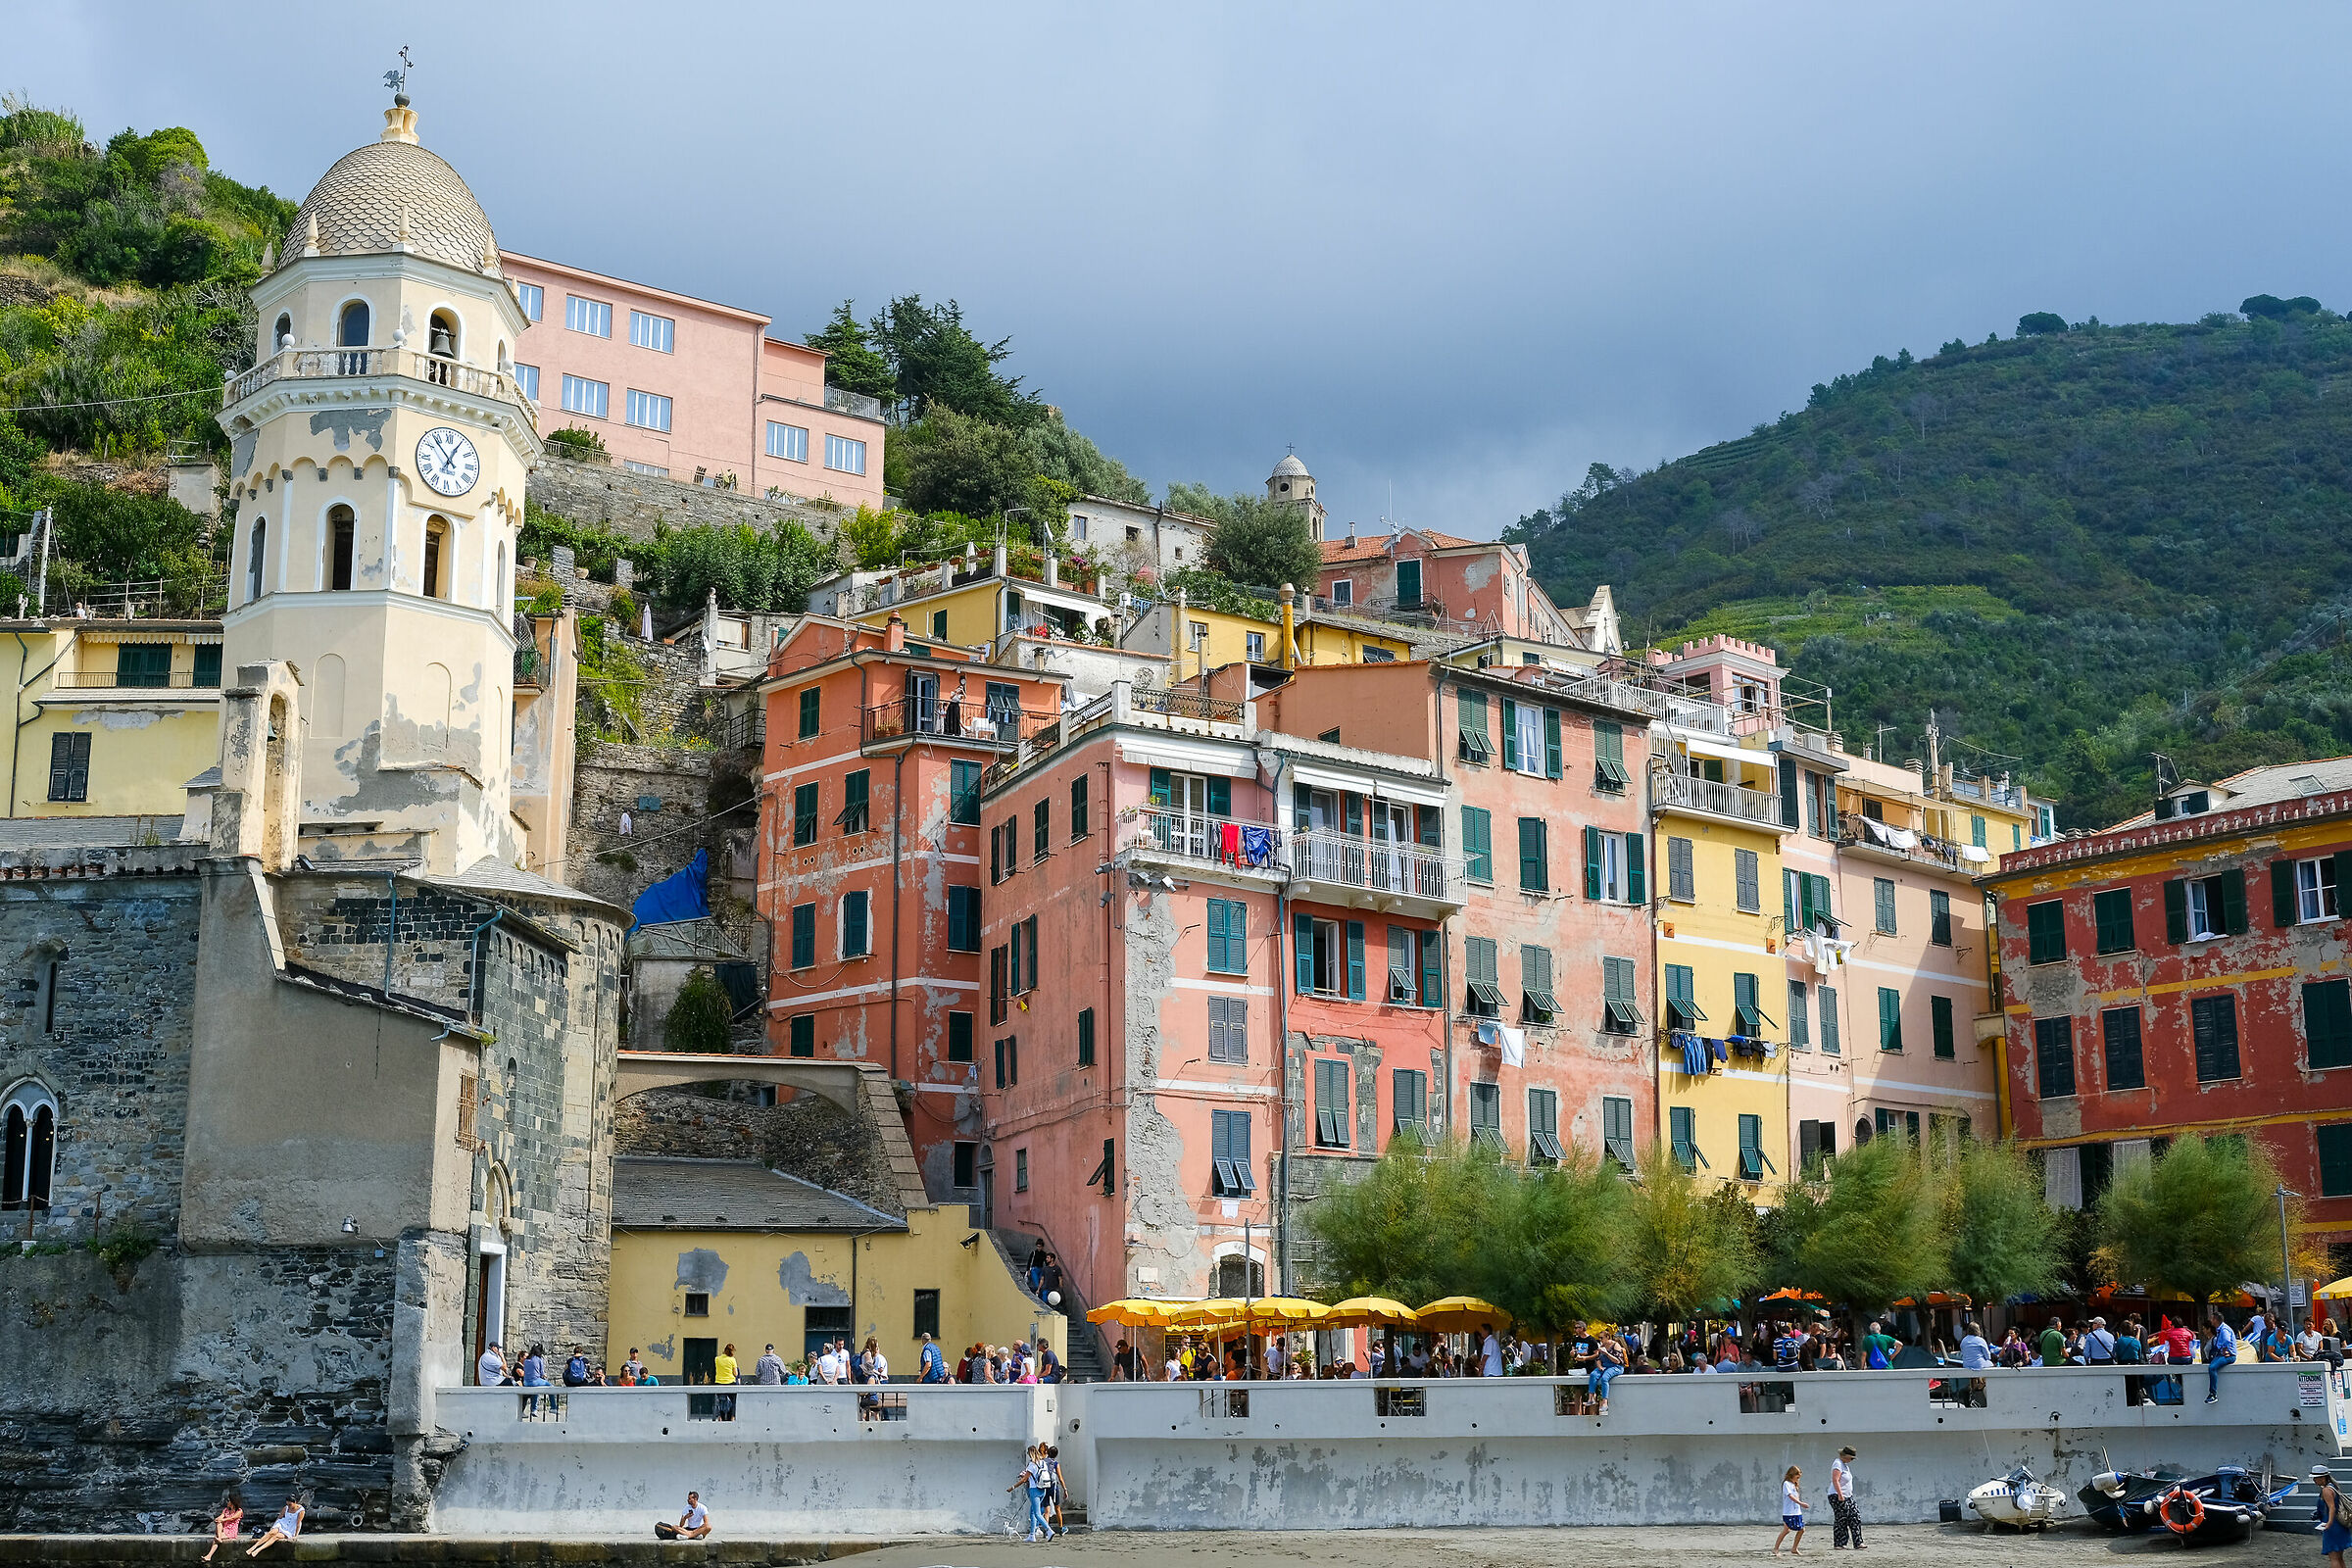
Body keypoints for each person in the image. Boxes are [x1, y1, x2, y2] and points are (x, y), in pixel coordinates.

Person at [1007, 1443, 1051, 1543]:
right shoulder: (1043, 1463)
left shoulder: (1032, 1464)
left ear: (1030, 1453)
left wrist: (1012, 1487)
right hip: (1043, 1489)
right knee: (1033, 1512)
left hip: (1034, 1490)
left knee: (1037, 1514)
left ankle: (1049, 1530)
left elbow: (1024, 1479)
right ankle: (1032, 1535)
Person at [1829, 1445, 1862, 1549]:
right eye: (1851, 1458)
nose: (1851, 1460)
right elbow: (1835, 1480)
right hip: (1837, 1495)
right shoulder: (1838, 1464)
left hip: (1848, 1496)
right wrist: (1840, 1494)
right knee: (1841, 1519)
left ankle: (1858, 1542)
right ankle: (1839, 1543)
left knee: (1855, 1516)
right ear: (1845, 1456)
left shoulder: (1845, 1465)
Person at [2317, 1465, 2349, 1568]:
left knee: (2334, 1558)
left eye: (2316, 1478)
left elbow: (2332, 1508)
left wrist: (2329, 1523)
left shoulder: (2326, 1490)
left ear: (2322, 1478)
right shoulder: (2334, 1487)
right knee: (2339, 1557)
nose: (2314, 1480)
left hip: (2332, 1525)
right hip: (2339, 1524)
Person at [1592, 1327, 1628, 1415]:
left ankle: (1605, 1402)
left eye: (1601, 1338)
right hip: (1606, 1367)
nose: (1600, 1340)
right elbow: (1598, 1359)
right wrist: (1600, 1366)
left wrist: (1606, 1353)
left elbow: (1618, 1361)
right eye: (1599, 1338)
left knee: (1605, 1378)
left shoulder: (1615, 1345)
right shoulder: (1602, 1346)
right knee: (1593, 1375)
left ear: (1607, 1337)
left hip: (1616, 1367)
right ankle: (1591, 1398)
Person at [201, 1491, 243, 1563]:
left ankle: (208, 1556)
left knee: (216, 1539)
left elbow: (232, 1518)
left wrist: (222, 1520)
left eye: (228, 1501)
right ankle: (219, 1538)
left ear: (233, 1502)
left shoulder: (239, 1511)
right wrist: (217, 1519)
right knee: (219, 1523)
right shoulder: (226, 1510)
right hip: (223, 1530)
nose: (227, 1502)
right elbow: (221, 1516)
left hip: (231, 1531)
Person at [2206, 1306, 2237, 1403]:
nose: (2211, 1321)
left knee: (2212, 1368)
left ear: (2216, 1320)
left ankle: (2213, 1394)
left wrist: (2225, 1350)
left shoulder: (2224, 1329)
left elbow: (2226, 1340)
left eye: (2212, 1319)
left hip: (2229, 1356)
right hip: (2223, 1354)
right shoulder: (2220, 1329)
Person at [1775, 1466, 1807, 1556]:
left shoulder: (1794, 1485)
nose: (1798, 1479)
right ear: (1792, 1475)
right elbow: (1790, 1496)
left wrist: (1799, 1505)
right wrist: (1801, 1503)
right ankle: (1776, 1549)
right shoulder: (1786, 1484)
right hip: (1789, 1512)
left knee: (1801, 1529)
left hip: (1796, 1512)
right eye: (1797, 1477)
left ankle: (1794, 1548)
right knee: (1786, 1530)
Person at [714, 1342, 738, 1421]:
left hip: (719, 1382)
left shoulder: (717, 1359)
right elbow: (735, 1373)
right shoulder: (732, 1360)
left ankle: (721, 1417)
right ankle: (731, 1417)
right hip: (731, 1383)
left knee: (721, 1401)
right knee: (733, 1401)